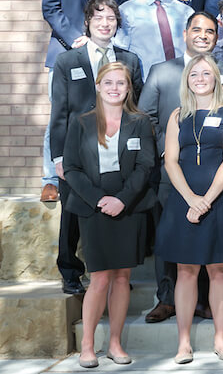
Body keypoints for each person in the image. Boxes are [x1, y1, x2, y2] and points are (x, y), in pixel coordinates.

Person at [153, 55, 223, 363]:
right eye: (194, 73)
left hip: (220, 200)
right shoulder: (177, 115)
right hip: (184, 199)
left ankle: (220, 339)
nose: (200, 78)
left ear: (216, 78)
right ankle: (184, 342)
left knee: (220, 270)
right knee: (185, 270)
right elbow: (170, 160)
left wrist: (206, 199)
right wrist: (191, 199)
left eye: (206, 73)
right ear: (187, 79)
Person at [138, 11, 223, 324]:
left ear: (216, 38)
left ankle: (204, 301)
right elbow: (145, 117)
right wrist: (166, 153)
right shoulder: (162, 71)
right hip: (172, 173)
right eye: (197, 30)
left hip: (213, 173)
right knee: (172, 240)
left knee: (208, 238)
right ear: (185, 33)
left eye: (210, 31)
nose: (203, 35)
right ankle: (166, 299)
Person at [63, 62, 155, 368]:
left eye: (121, 83)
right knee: (100, 278)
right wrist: (98, 199)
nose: (115, 88)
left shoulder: (139, 122)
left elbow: (145, 166)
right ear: (99, 86)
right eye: (109, 82)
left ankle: (115, 343)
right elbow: (71, 169)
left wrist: (122, 200)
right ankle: (87, 345)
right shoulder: (80, 122)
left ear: (129, 89)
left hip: (128, 206)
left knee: (122, 277)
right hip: (93, 206)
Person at [50, 0, 143, 297]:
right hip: (77, 152)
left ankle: (116, 273)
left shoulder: (130, 60)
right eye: (99, 18)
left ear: (118, 23)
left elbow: (136, 107)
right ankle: (70, 270)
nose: (105, 23)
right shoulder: (68, 60)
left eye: (111, 19)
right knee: (74, 211)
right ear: (88, 22)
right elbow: (59, 112)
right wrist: (59, 156)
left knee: (115, 209)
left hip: (118, 150)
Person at [41, 0, 129, 205]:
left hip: (102, 52)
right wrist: (75, 38)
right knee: (60, 112)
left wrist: (97, 36)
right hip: (65, 52)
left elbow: (120, 9)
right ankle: (50, 179)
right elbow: (50, 8)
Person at [116, 0, 193, 78]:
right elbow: (120, 51)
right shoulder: (126, 11)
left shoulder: (186, 12)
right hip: (144, 83)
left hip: (181, 82)